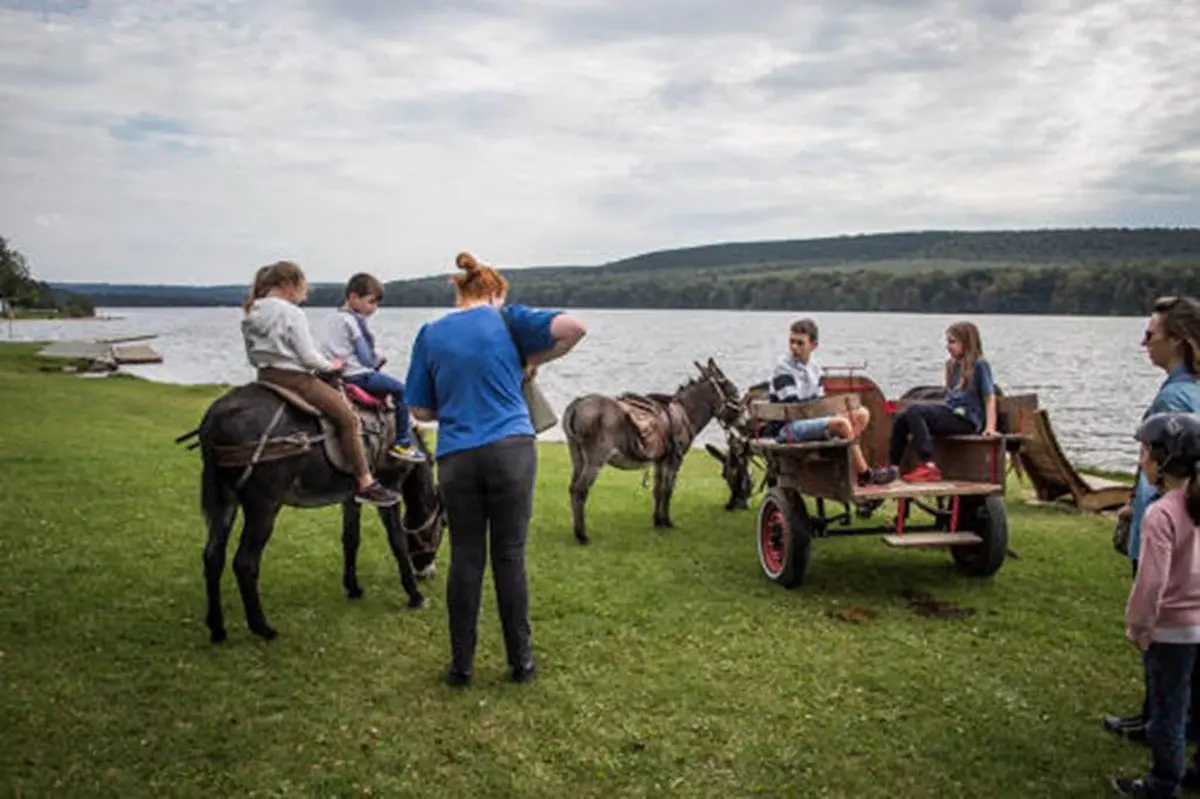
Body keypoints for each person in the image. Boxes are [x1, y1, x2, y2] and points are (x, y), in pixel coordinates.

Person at [404, 251, 586, 687]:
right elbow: (574, 328)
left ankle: (461, 667)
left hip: (457, 455)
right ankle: (520, 662)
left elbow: (420, 408)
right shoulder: (508, 319)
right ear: (495, 293)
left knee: (465, 557)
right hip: (511, 450)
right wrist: (532, 362)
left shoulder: (429, 333)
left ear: (459, 292)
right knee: (509, 555)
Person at [1105, 296, 1200, 743]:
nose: (1144, 344)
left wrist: (1145, 509)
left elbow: (1170, 465)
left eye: (1151, 336)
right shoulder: (1188, 388)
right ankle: (1159, 718)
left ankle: (1162, 725)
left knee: (1163, 634)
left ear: (1178, 341)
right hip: (1183, 525)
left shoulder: (1178, 395)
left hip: (1167, 529)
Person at [241, 260, 399, 507]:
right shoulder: (291, 312)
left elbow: (252, 356)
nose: (304, 295)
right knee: (348, 418)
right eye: (302, 288)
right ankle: (365, 482)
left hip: (264, 376)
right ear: (288, 285)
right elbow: (307, 357)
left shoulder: (253, 311)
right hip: (295, 380)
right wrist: (331, 366)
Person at [1112, 412, 1200, 798]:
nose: (1141, 460)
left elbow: (1151, 582)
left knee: (1168, 711)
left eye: (1145, 451)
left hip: (1172, 630)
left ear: (1163, 460)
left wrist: (1138, 625)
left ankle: (1163, 784)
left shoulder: (1161, 514)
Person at [768, 318, 897, 485]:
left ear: (813, 345)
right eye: (791, 342)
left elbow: (818, 401)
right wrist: (829, 416)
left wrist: (828, 413)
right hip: (788, 427)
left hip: (808, 417)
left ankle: (843, 458)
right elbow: (794, 409)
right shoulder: (783, 369)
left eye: (800, 343)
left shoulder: (815, 368)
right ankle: (864, 473)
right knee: (842, 424)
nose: (794, 347)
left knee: (863, 414)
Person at [320, 272, 425, 463]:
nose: (374, 308)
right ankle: (402, 442)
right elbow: (366, 359)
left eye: (376, 303)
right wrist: (378, 361)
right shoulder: (353, 321)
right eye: (371, 302)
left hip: (335, 373)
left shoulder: (332, 318)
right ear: (353, 297)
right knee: (402, 391)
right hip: (356, 375)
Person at [887, 321, 997, 483]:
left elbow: (989, 398)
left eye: (952, 342)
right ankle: (894, 467)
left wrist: (990, 428)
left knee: (915, 410)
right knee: (902, 416)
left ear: (966, 342)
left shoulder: (980, 365)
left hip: (966, 420)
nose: (948, 346)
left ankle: (928, 465)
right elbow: (949, 396)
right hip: (951, 413)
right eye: (947, 342)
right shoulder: (953, 366)